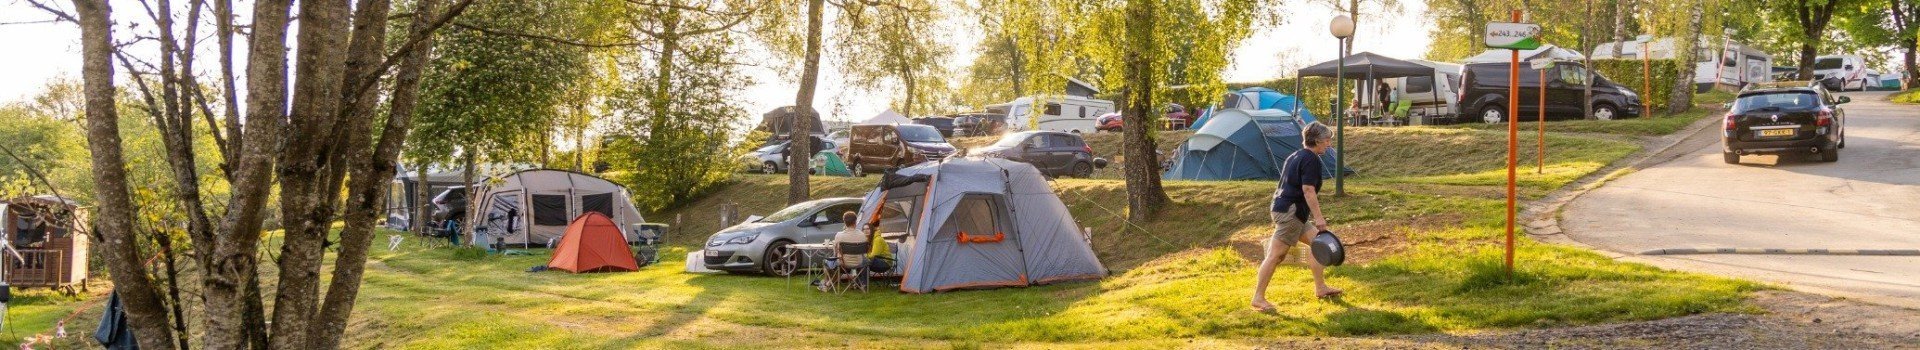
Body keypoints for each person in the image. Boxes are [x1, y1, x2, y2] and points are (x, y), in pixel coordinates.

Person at [1251, 122, 1342, 312]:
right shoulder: (1311, 159)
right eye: (1327, 140)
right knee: (1276, 255)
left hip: (1290, 210)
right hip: (1290, 212)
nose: (1329, 144)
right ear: (1317, 140)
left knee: (1318, 245)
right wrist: (1319, 218)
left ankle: (1321, 288)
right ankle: (1258, 298)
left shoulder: (1296, 155)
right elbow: (1308, 190)